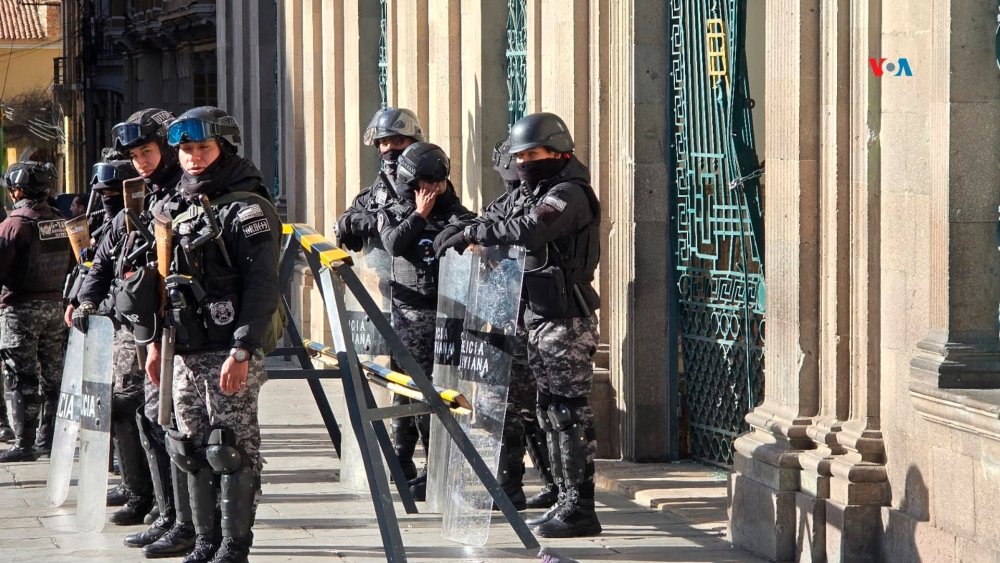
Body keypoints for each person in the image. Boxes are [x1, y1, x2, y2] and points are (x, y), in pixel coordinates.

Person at [436, 112, 602, 538]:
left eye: (535, 153)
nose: (526, 162)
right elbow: (502, 218)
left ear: (559, 152)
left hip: (565, 319)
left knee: (568, 412)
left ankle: (581, 506)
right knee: (549, 412)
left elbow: (530, 230)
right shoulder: (533, 191)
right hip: (534, 316)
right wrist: (471, 229)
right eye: (521, 155)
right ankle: (564, 497)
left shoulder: (568, 194)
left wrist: (483, 231)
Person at [144, 106, 281, 563]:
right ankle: (203, 542)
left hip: (228, 348)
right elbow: (161, 282)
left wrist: (243, 348)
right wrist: (153, 343)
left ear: (224, 147)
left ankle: (233, 547)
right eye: (185, 149)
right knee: (189, 448)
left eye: (202, 147)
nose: (193, 157)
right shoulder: (174, 205)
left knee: (231, 450)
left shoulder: (248, 208)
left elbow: (263, 285)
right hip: (183, 348)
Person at [72, 108, 196, 557]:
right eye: (136, 155)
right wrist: (86, 298)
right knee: (150, 419)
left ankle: (195, 526)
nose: (142, 161)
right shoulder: (142, 202)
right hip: (147, 331)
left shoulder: (189, 194)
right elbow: (104, 256)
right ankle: (168, 514)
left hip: (188, 332)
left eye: (148, 151)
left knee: (185, 430)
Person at [378, 142, 474, 497]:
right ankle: (414, 464)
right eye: (423, 184)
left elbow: (468, 231)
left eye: (436, 184)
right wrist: (418, 215)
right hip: (410, 318)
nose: (431, 191)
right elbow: (394, 244)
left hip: (447, 317)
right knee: (411, 394)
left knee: (439, 396)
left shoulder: (456, 212)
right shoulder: (393, 211)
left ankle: (440, 470)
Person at [0, 161, 72, 463]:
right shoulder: (59, 220)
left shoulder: (13, 225)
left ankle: (24, 443)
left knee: (22, 378)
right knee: (53, 378)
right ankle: (48, 439)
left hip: (20, 310)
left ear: (17, 190)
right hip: (55, 308)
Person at [335, 106, 423, 253]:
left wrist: (372, 221)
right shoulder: (385, 180)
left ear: (413, 142)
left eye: (398, 141)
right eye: (384, 142)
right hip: (383, 270)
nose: (390, 148)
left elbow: (404, 216)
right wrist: (347, 221)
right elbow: (362, 204)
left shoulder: (425, 177)